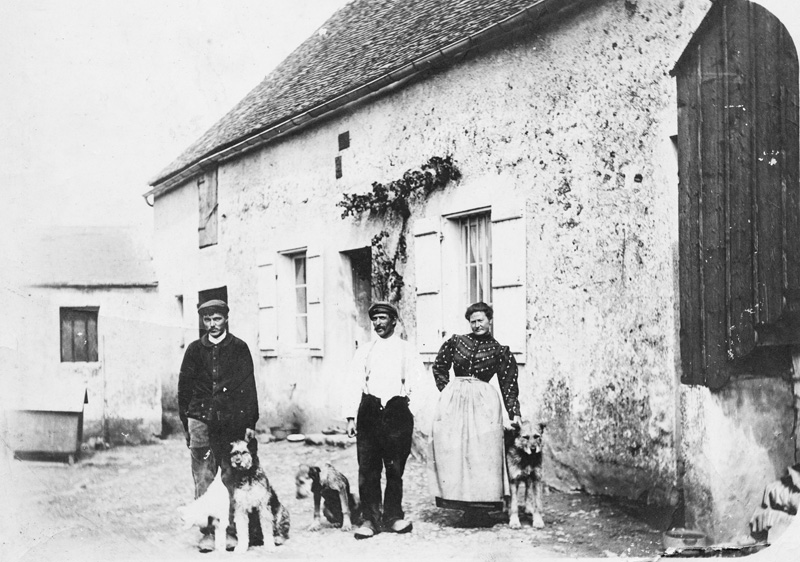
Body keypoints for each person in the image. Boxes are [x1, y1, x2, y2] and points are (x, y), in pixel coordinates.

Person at [178, 299, 259, 551]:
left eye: (217, 318)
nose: (212, 324)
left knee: (231, 473)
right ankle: (209, 532)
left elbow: (249, 387)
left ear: (226, 318)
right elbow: (184, 389)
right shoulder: (194, 350)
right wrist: (187, 423)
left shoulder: (239, 348)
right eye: (207, 319)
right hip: (200, 420)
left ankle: (233, 529)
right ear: (203, 321)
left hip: (232, 421)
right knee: (203, 474)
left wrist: (250, 421)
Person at [429, 301, 521, 518]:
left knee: (482, 454)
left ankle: (481, 510)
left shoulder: (499, 351)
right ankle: (462, 507)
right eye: (473, 321)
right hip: (456, 403)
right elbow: (439, 365)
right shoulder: (457, 342)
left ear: (490, 320)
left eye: (481, 320)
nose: (477, 325)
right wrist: (448, 390)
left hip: (484, 404)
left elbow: (509, 383)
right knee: (457, 453)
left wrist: (513, 412)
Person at [343, 301, 424, 539]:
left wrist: (412, 411)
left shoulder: (407, 350)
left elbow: (419, 384)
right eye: (375, 319)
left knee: (395, 469)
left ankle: (393, 516)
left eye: (383, 318)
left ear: (394, 321)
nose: (378, 323)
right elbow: (352, 383)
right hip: (369, 412)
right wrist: (350, 417)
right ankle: (370, 518)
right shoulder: (365, 351)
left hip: (397, 412)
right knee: (368, 468)